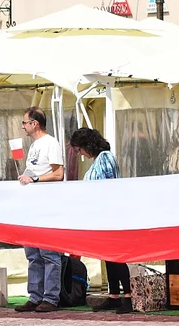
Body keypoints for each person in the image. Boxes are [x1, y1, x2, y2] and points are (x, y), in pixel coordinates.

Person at [69, 127, 132, 313]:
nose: (81, 153)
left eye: (80, 149)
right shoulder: (101, 159)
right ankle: (114, 295)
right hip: (103, 215)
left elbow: (109, 186)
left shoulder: (105, 158)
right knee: (109, 257)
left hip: (110, 214)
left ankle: (127, 296)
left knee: (117, 256)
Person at [14, 107, 65, 314]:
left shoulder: (50, 143)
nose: (23, 126)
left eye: (25, 123)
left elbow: (58, 173)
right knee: (33, 252)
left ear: (35, 123)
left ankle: (50, 297)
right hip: (32, 205)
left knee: (49, 253)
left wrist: (35, 178)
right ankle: (35, 295)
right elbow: (35, 170)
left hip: (47, 204)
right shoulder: (35, 145)